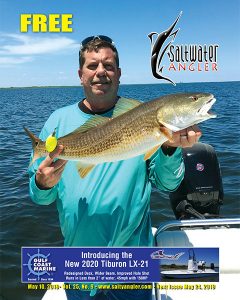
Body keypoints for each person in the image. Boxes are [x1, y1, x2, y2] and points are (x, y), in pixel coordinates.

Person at [28, 35, 202, 300]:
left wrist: (170, 147)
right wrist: (42, 183)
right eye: (92, 66)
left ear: (119, 73)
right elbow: (40, 196)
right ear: (80, 74)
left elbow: (167, 184)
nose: (101, 72)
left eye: (108, 66)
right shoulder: (58, 121)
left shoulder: (142, 115)